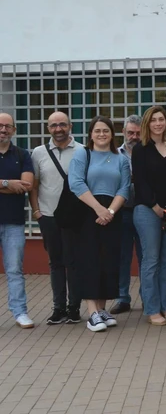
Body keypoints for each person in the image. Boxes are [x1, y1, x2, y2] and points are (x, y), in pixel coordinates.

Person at [69, 116, 131, 332]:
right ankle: (92, 313)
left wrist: (110, 211)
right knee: (90, 261)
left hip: (113, 214)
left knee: (109, 261)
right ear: (91, 134)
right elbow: (76, 182)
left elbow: (124, 188)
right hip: (88, 212)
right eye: (97, 131)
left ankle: (102, 309)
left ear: (112, 134)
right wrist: (98, 209)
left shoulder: (121, 159)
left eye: (106, 130)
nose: (102, 134)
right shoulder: (82, 154)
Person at [29, 111, 82, 325]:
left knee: (74, 262)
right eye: (53, 125)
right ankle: (58, 308)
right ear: (48, 128)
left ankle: (74, 308)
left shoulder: (82, 151)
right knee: (55, 263)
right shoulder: (38, 153)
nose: (58, 129)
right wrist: (37, 212)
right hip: (48, 215)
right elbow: (34, 185)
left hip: (74, 218)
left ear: (70, 126)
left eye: (62, 124)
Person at [130, 106, 166, 326]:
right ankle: (152, 309)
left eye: (161, 119)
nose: (158, 123)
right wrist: (155, 206)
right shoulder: (140, 149)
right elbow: (140, 182)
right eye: (154, 120)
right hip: (147, 210)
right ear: (147, 124)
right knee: (151, 260)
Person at [0, 112, 36, 329]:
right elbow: (15, 185)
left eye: (7, 126)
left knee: (14, 270)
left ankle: (20, 312)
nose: (3, 130)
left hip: (14, 222)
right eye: (0, 126)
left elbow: (26, 185)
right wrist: (7, 184)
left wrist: (12, 185)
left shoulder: (22, 155)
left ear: (14, 130)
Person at [111, 115, 142, 315]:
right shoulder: (115, 154)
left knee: (146, 257)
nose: (134, 137)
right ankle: (122, 298)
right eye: (130, 132)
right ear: (123, 132)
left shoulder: (147, 152)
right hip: (121, 212)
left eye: (138, 133)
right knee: (122, 257)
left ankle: (147, 297)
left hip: (144, 210)